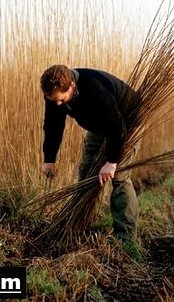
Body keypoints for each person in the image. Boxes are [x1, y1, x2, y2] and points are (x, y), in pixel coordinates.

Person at [40, 64, 140, 241]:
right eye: (53, 100)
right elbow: (53, 126)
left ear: (71, 86)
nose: (58, 104)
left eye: (62, 101)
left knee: (119, 177)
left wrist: (111, 162)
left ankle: (125, 238)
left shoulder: (95, 90)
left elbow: (117, 128)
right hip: (98, 123)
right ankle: (78, 223)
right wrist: (49, 159)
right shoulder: (53, 94)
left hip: (126, 122)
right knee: (87, 172)